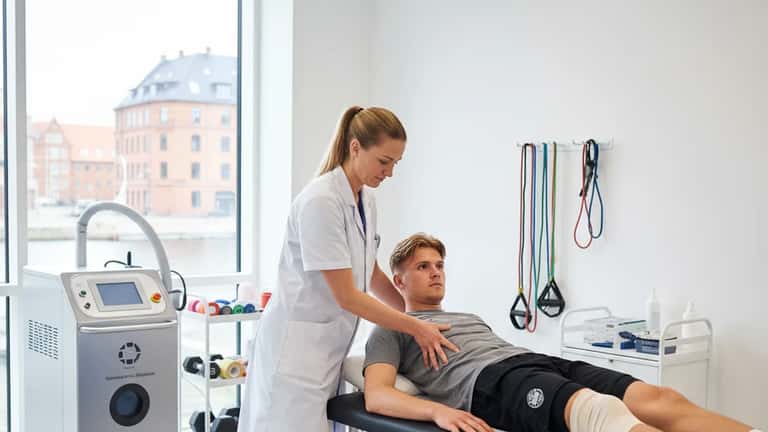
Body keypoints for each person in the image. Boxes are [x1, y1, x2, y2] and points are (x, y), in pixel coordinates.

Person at [363, 233, 762, 432]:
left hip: (533, 360)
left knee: (661, 398)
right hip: (491, 383)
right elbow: (378, 395)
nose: (436, 272)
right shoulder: (389, 329)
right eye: (423, 267)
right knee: (601, 413)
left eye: (439, 265)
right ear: (399, 281)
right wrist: (437, 410)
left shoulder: (469, 316)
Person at [238, 107, 459, 432]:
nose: (390, 172)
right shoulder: (321, 202)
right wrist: (415, 327)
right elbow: (347, 296)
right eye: (384, 161)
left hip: (326, 353)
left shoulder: (365, 201)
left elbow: (372, 273)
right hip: (294, 357)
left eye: (395, 163)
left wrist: (418, 315)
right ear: (355, 147)